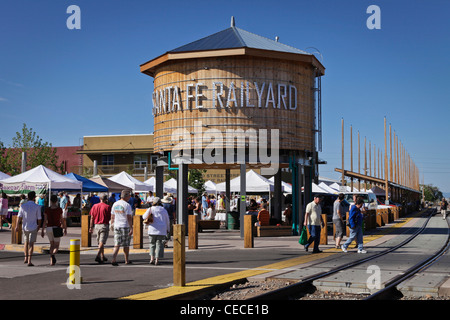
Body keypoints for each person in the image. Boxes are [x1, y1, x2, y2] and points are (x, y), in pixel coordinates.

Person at [16, 192, 42, 266]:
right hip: (33, 226)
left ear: (28, 197)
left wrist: (17, 226)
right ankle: (29, 261)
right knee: (31, 244)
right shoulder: (37, 206)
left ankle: (25, 258)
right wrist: (39, 226)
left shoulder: (23, 206)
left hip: (25, 227)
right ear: (34, 198)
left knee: (25, 243)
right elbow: (39, 218)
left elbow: (19, 216)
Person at [143, 197, 170, 266]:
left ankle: (151, 259)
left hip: (152, 229)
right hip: (162, 230)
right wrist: (168, 229)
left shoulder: (150, 209)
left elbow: (144, 217)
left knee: (152, 244)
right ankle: (157, 260)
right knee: (159, 244)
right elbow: (167, 220)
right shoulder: (163, 210)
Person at [110, 190, 133, 266]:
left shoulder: (115, 204)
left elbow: (112, 216)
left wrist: (112, 224)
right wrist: (131, 227)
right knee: (126, 244)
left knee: (116, 244)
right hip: (125, 226)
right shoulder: (127, 205)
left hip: (117, 225)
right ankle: (126, 260)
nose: (130, 197)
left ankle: (114, 259)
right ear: (126, 196)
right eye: (129, 196)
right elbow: (129, 217)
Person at [42, 194, 66, 266]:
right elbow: (61, 220)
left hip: (49, 228)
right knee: (56, 245)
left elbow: (45, 220)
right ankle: (53, 255)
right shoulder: (59, 209)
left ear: (50, 201)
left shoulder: (47, 210)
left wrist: (42, 230)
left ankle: (51, 261)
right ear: (56, 201)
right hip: (56, 228)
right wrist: (65, 228)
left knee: (51, 245)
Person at [89, 194, 111, 263]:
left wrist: (90, 227)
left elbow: (92, 217)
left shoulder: (94, 206)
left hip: (96, 225)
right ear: (106, 199)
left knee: (99, 241)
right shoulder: (107, 207)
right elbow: (110, 217)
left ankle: (102, 256)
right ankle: (98, 255)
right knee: (102, 241)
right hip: (104, 224)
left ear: (99, 199)